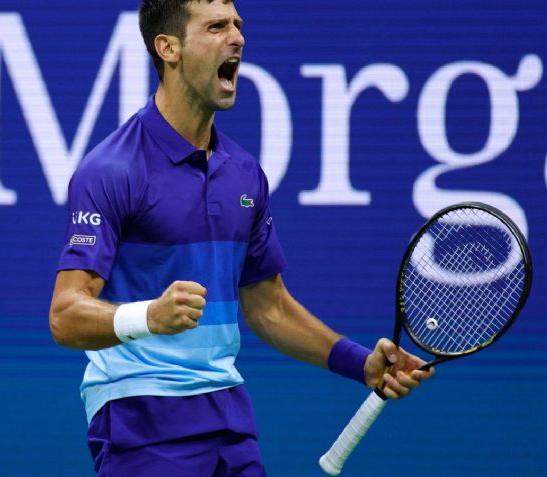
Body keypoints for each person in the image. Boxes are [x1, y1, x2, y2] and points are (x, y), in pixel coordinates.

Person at [48, 1, 433, 475]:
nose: (237, 37)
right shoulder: (111, 170)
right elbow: (65, 316)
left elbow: (267, 305)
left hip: (228, 418)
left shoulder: (244, 174)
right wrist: (148, 316)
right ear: (168, 48)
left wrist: (362, 364)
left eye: (237, 25)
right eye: (216, 26)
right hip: (141, 417)